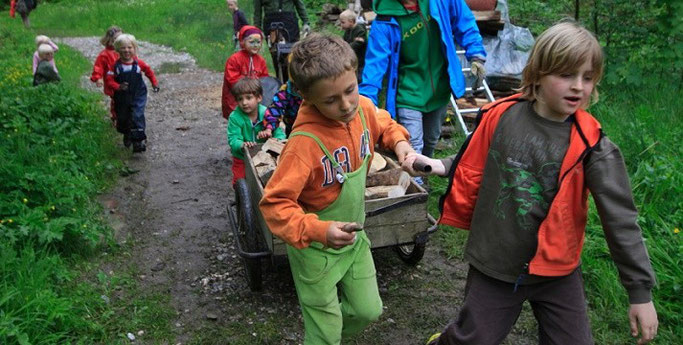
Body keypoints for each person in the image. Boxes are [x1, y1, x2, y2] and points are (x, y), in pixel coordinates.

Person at [400, 21, 658, 345]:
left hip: (557, 270)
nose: (578, 86)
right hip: (495, 262)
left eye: (587, 78)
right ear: (537, 74)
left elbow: (621, 220)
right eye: (565, 75)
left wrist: (640, 292)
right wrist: (439, 165)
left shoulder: (593, 146)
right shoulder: (501, 116)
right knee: (472, 339)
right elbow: (477, 159)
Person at [259, 34, 414, 344]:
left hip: (354, 238)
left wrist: (400, 144)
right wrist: (319, 230)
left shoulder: (362, 109)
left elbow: (382, 122)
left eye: (350, 91)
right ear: (305, 96)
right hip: (313, 249)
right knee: (324, 331)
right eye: (331, 100)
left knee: (368, 310)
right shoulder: (303, 145)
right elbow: (274, 205)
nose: (345, 106)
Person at [360, 0, 486, 160]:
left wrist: (476, 55)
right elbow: (374, 67)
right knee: (414, 148)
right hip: (409, 92)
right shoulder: (385, 20)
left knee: (430, 141)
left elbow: (464, 21)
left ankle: (424, 178)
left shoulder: (440, 2)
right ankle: (417, 181)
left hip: (440, 88)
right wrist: (366, 103)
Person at [105, 34, 160, 153]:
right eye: (123, 48)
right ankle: (127, 134)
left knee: (137, 114)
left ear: (134, 49)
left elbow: (149, 71)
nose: (126, 50)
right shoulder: (115, 66)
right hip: (122, 96)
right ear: (117, 50)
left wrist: (154, 83)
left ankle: (139, 141)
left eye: (129, 47)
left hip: (138, 94)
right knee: (123, 117)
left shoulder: (139, 63)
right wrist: (118, 86)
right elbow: (109, 80)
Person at [227, 77, 286, 185]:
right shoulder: (235, 117)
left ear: (259, 98)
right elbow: (233, 139)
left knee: (275, 174)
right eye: (240, 99)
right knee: (239, 180)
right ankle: (241, 198)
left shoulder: (266, 113)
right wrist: (242, 144)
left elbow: (279, 132)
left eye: (248, 98)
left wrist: (275, 138)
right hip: (243, 157)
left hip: (265, 154)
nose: (244, 102)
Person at [221, 25, 269, 119]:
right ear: (243, 42)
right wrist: (250, 86)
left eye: (258, 42)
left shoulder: (261, 61)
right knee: (238, 120)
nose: (255, 45)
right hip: (237, 98)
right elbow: (232, 79)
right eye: (251, 42)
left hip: (254, 99)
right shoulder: (234, 59)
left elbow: (264, 79)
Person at [91, 26, 122, 125]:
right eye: (116, 39)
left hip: (124, 79)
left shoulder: (123, 51)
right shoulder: (104, 54)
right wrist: (98, 78)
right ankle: (115, 116)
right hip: (112, 80)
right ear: (110, 40)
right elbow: (98, 67)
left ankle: (126, 116)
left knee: (126, 97)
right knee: (116, 99)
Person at [339, 9, 367, 82]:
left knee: (360, 71)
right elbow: (344, 40)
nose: (341, 24)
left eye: (343, 22)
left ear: (351, 22)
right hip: (352, 55)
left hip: (360, 57)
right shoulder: (348, 29)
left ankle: (361, 83)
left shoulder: (360, 30)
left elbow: (358, 43)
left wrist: (345, 47)